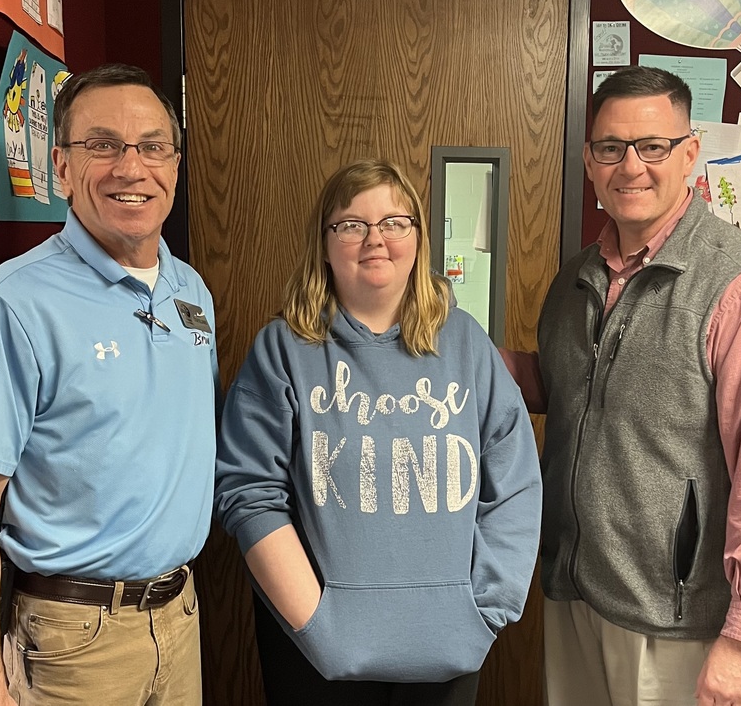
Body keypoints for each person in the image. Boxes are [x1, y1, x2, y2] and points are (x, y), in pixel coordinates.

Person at [503, 66, 741, 706]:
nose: (631, 167)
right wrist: (449, 357)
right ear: (590, 161)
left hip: (685, 624)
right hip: (578, 595)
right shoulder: (575, 281)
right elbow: (571, 388)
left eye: (652, 146)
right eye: (611, 148)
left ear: (689, 153)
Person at [0, 63, 220, 706]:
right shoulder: (10, 305)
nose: (131, 168)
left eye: (152, 147)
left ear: (175, 166)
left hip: (180, 617)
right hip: (72, 641)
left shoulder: (190, 289)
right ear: (62, 167)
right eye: (103, 146)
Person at [214, 158, 542, 705]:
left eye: (394, 222)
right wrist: (316, 623)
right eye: (351, 224)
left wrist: (488, 608)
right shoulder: (283, 350)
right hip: (312, 652)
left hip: (449, 646)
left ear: (418, 237)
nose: (375, 239)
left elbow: (515, 484)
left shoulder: (466, 343)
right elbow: (249, 493)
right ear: (324, 243)